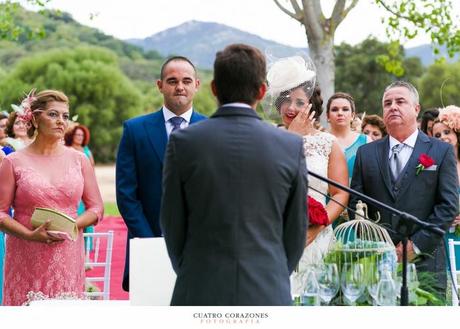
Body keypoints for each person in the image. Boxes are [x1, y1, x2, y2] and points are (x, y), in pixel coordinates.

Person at [160, 44, 307, 306]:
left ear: (214, 88)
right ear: (262, 91)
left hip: (199, 288)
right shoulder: (290, 146)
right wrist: (273, 273)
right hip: (267, 290)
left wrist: (191, 270)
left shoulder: (183, 143)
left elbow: (172, 224)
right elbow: (296, 231)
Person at [350, 81, 458, 296]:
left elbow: (448, 205)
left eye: (400, 101)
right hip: (377, 262)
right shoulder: (366, 153)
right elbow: (356, 203)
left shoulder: (441, 151)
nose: (393, 107)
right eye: (387, 103)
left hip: (426, 261)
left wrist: (415, 246)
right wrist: (380, 245)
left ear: (416, 109)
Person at [0, 89, 104, 305]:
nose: (61, 121)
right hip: (25, 254)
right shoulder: (13, 162)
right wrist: (29, 235)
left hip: (67, 254)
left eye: (65, 116)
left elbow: (96, 208)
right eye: (53, 114)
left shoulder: (79, 160)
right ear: (35, 119)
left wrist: (73, 224)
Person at [116, 56, 206, 292]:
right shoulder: (134, 130)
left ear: (197, 85)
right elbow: (126, 194)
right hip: (147, 244)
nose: (180, 87)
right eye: (172, 80)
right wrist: (150, 242)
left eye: (186, 81)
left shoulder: (211, 130)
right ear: (160, 85)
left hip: (200, 248)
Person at [266, 55, 348, 293]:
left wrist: (315, 230)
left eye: (300, 102)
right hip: (274, 237)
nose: (291, 108)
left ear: (312, 105)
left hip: (318, 238)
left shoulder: (328, 143)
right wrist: (294, 136)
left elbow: (340, 194)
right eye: (286, 101)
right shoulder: (266, 141)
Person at [431, 105, 460, 274]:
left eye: (447, 132)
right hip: (442, 236)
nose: (442, 138)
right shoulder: (433, 166)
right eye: (437, 135)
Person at [64, 124, 96, 251]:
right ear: (72, 136)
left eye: (82, 135)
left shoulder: (86, 150)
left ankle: (86, 251)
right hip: (72, 187)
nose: (79, 137)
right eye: (77, 134)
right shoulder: (67, 149)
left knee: (88, 216)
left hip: (86, 187)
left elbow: (92, 169)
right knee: (76, 215)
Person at [327, 92, 370, 181]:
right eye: (334, 109)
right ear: (327, 116)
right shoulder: (318, 140)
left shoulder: (366, 141)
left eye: (345, 109)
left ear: (352, 115)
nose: (340, 113)